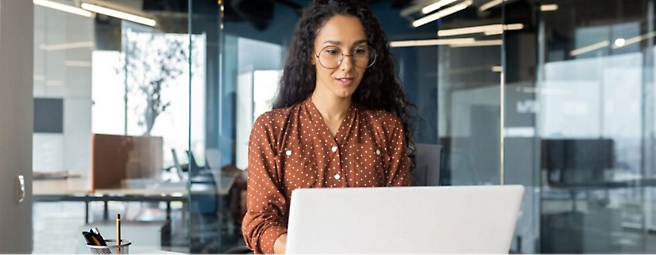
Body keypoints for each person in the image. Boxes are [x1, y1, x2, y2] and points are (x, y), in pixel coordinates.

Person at [241, 0, 417, 253]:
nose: (347, 65)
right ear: (311, 54)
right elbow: (259, 223)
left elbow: (400, 219)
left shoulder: (387, 129)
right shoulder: (271, 128)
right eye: (332, 51)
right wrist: (306, 248)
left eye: (358, 51)